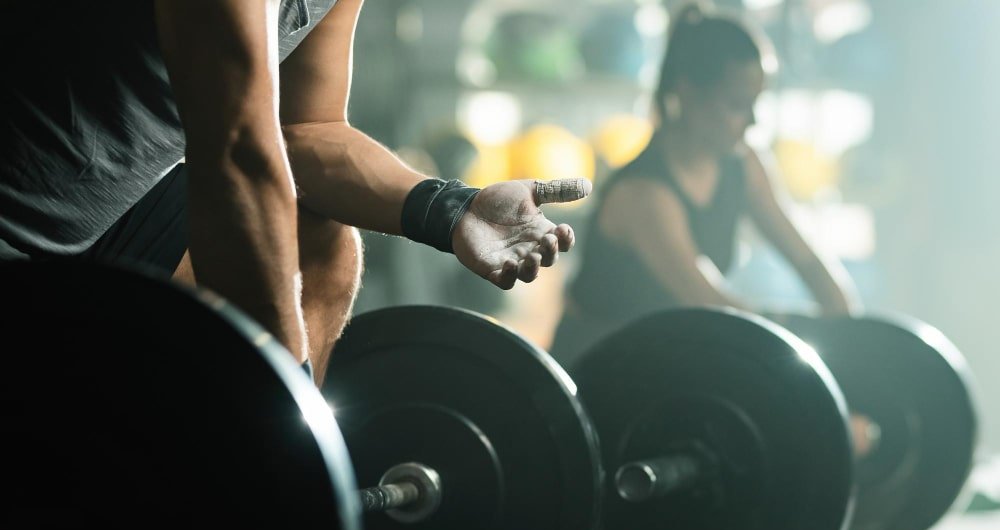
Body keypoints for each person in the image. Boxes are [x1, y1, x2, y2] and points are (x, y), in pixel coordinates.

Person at [0, 0, 590, 388]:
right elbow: (238, 152)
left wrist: (451, 208)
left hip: (99, 217)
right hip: (15, 224)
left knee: (321, 244)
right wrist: (289, 408)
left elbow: (308, 129)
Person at [550, 1, 860, 367]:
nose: (753, 121)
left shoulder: (744, 164)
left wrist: (849, 331)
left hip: (667, 358)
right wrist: (800, 334)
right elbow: (708, 301)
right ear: (688, 94)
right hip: (599, 367)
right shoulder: (643, 195)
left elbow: (806, 258)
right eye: (737, 105)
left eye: (756, 102)